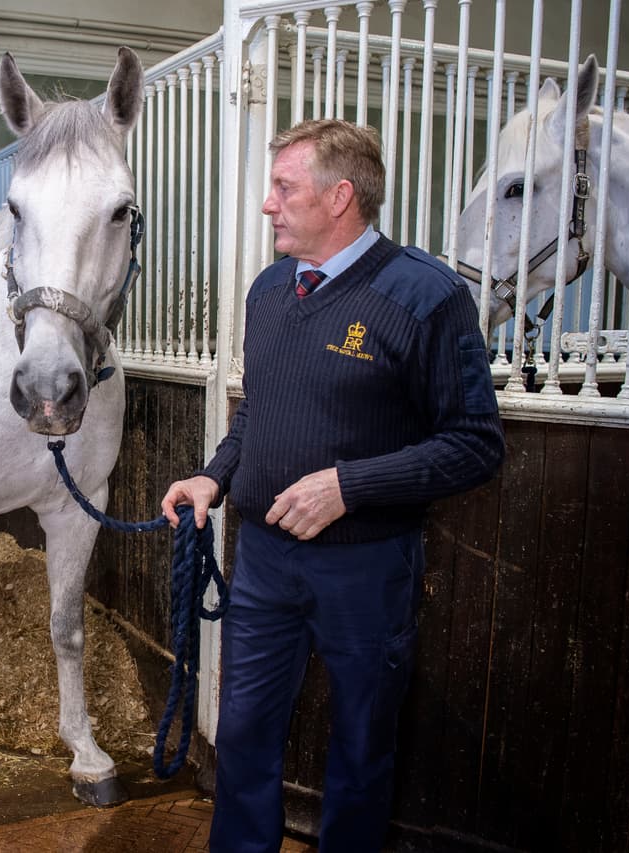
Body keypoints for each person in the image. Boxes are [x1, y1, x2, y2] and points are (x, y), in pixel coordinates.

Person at [161, 119, 505, 852]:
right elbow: (260, 411)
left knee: (360, 744)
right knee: (245, 734)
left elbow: (476, 444)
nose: (268, 204)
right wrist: (212, 477)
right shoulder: (268, 291)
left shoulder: (425, 295)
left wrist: (350, 486)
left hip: (368, 567)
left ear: (340, 195)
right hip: (263, 563)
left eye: (285, 187)